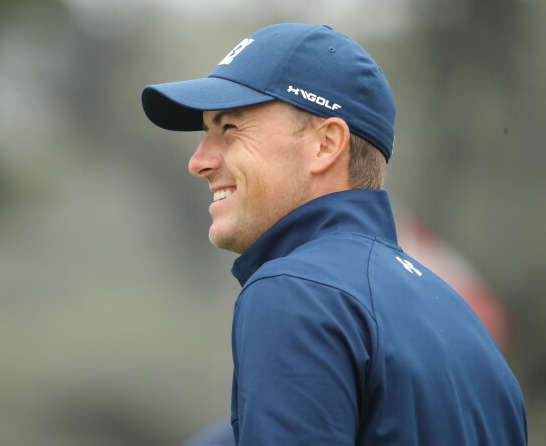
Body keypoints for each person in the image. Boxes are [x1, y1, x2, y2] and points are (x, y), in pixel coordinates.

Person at [141, 23, 527, 445]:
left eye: (229, 128)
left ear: (326, 144)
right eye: (205, 132)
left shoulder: (294, 291)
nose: (199, 161)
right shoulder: (464, 323)